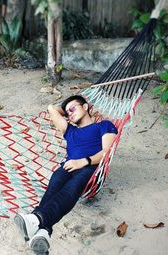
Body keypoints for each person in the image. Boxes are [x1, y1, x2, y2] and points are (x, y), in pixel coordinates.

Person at [14, 95, 118, 254]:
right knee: (52, 190)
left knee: (71, 188)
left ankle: (36, 219)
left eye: (73, 109)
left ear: (85, 107)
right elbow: (51, 108)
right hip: (68, 166)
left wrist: (84, 161)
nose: (69, 114)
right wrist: (70, 109)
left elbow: (106, 152)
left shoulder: (104, 125)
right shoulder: (70, 130)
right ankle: (43, 233)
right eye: (67, 112)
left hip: (91, 168)